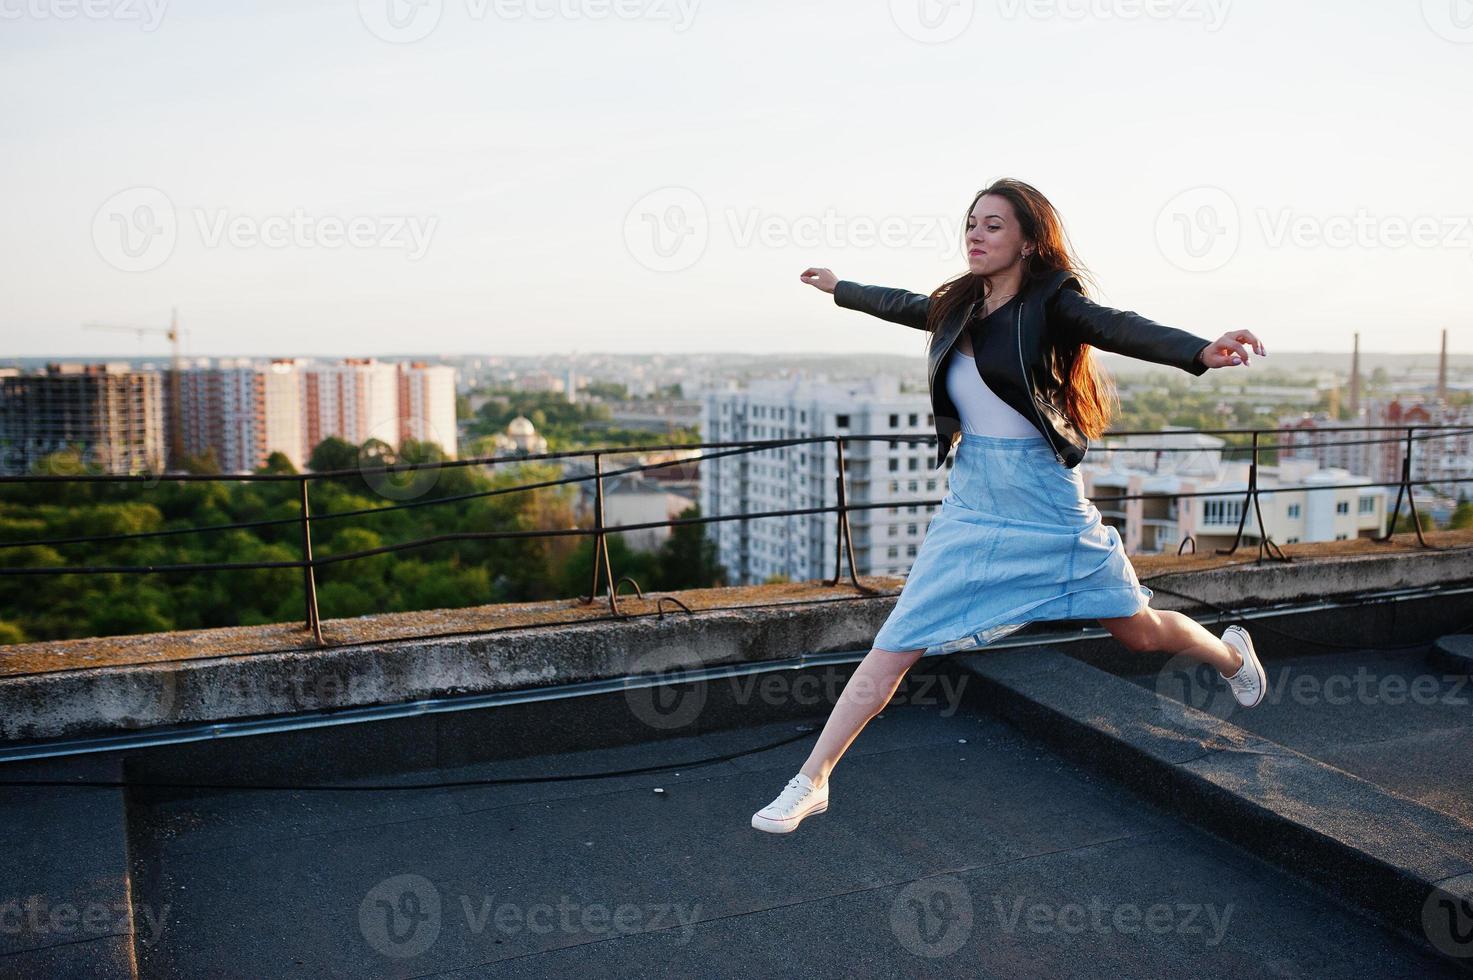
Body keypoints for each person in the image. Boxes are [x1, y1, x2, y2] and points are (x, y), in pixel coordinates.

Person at [751, 178, 1269, 835]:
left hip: (1041, 497)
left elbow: (1118, 328)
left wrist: (1197, 349)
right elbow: (902, 303)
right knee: (897, 640)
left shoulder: (1053, 302)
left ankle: (1230, 656)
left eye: (992, 225)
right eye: (971, 222)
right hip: (972, 496)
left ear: (1027, 240)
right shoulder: (956, 305)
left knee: (1137, 630)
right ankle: (812, 779)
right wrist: (838, 287)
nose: (974, 233)